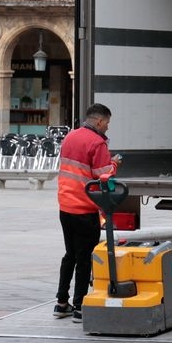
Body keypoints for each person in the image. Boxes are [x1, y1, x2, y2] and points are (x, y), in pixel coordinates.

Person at [53, 103, 121, 323]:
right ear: (100, 121)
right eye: (107, 123)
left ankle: (61, 302)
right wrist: (115, 164)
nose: (108, 128)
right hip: (85, 208)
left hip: (65, 206)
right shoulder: (97, 142)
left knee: (69, 254)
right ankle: (80, 306)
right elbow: (102, 176)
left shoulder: (70, 137)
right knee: (84, 259)